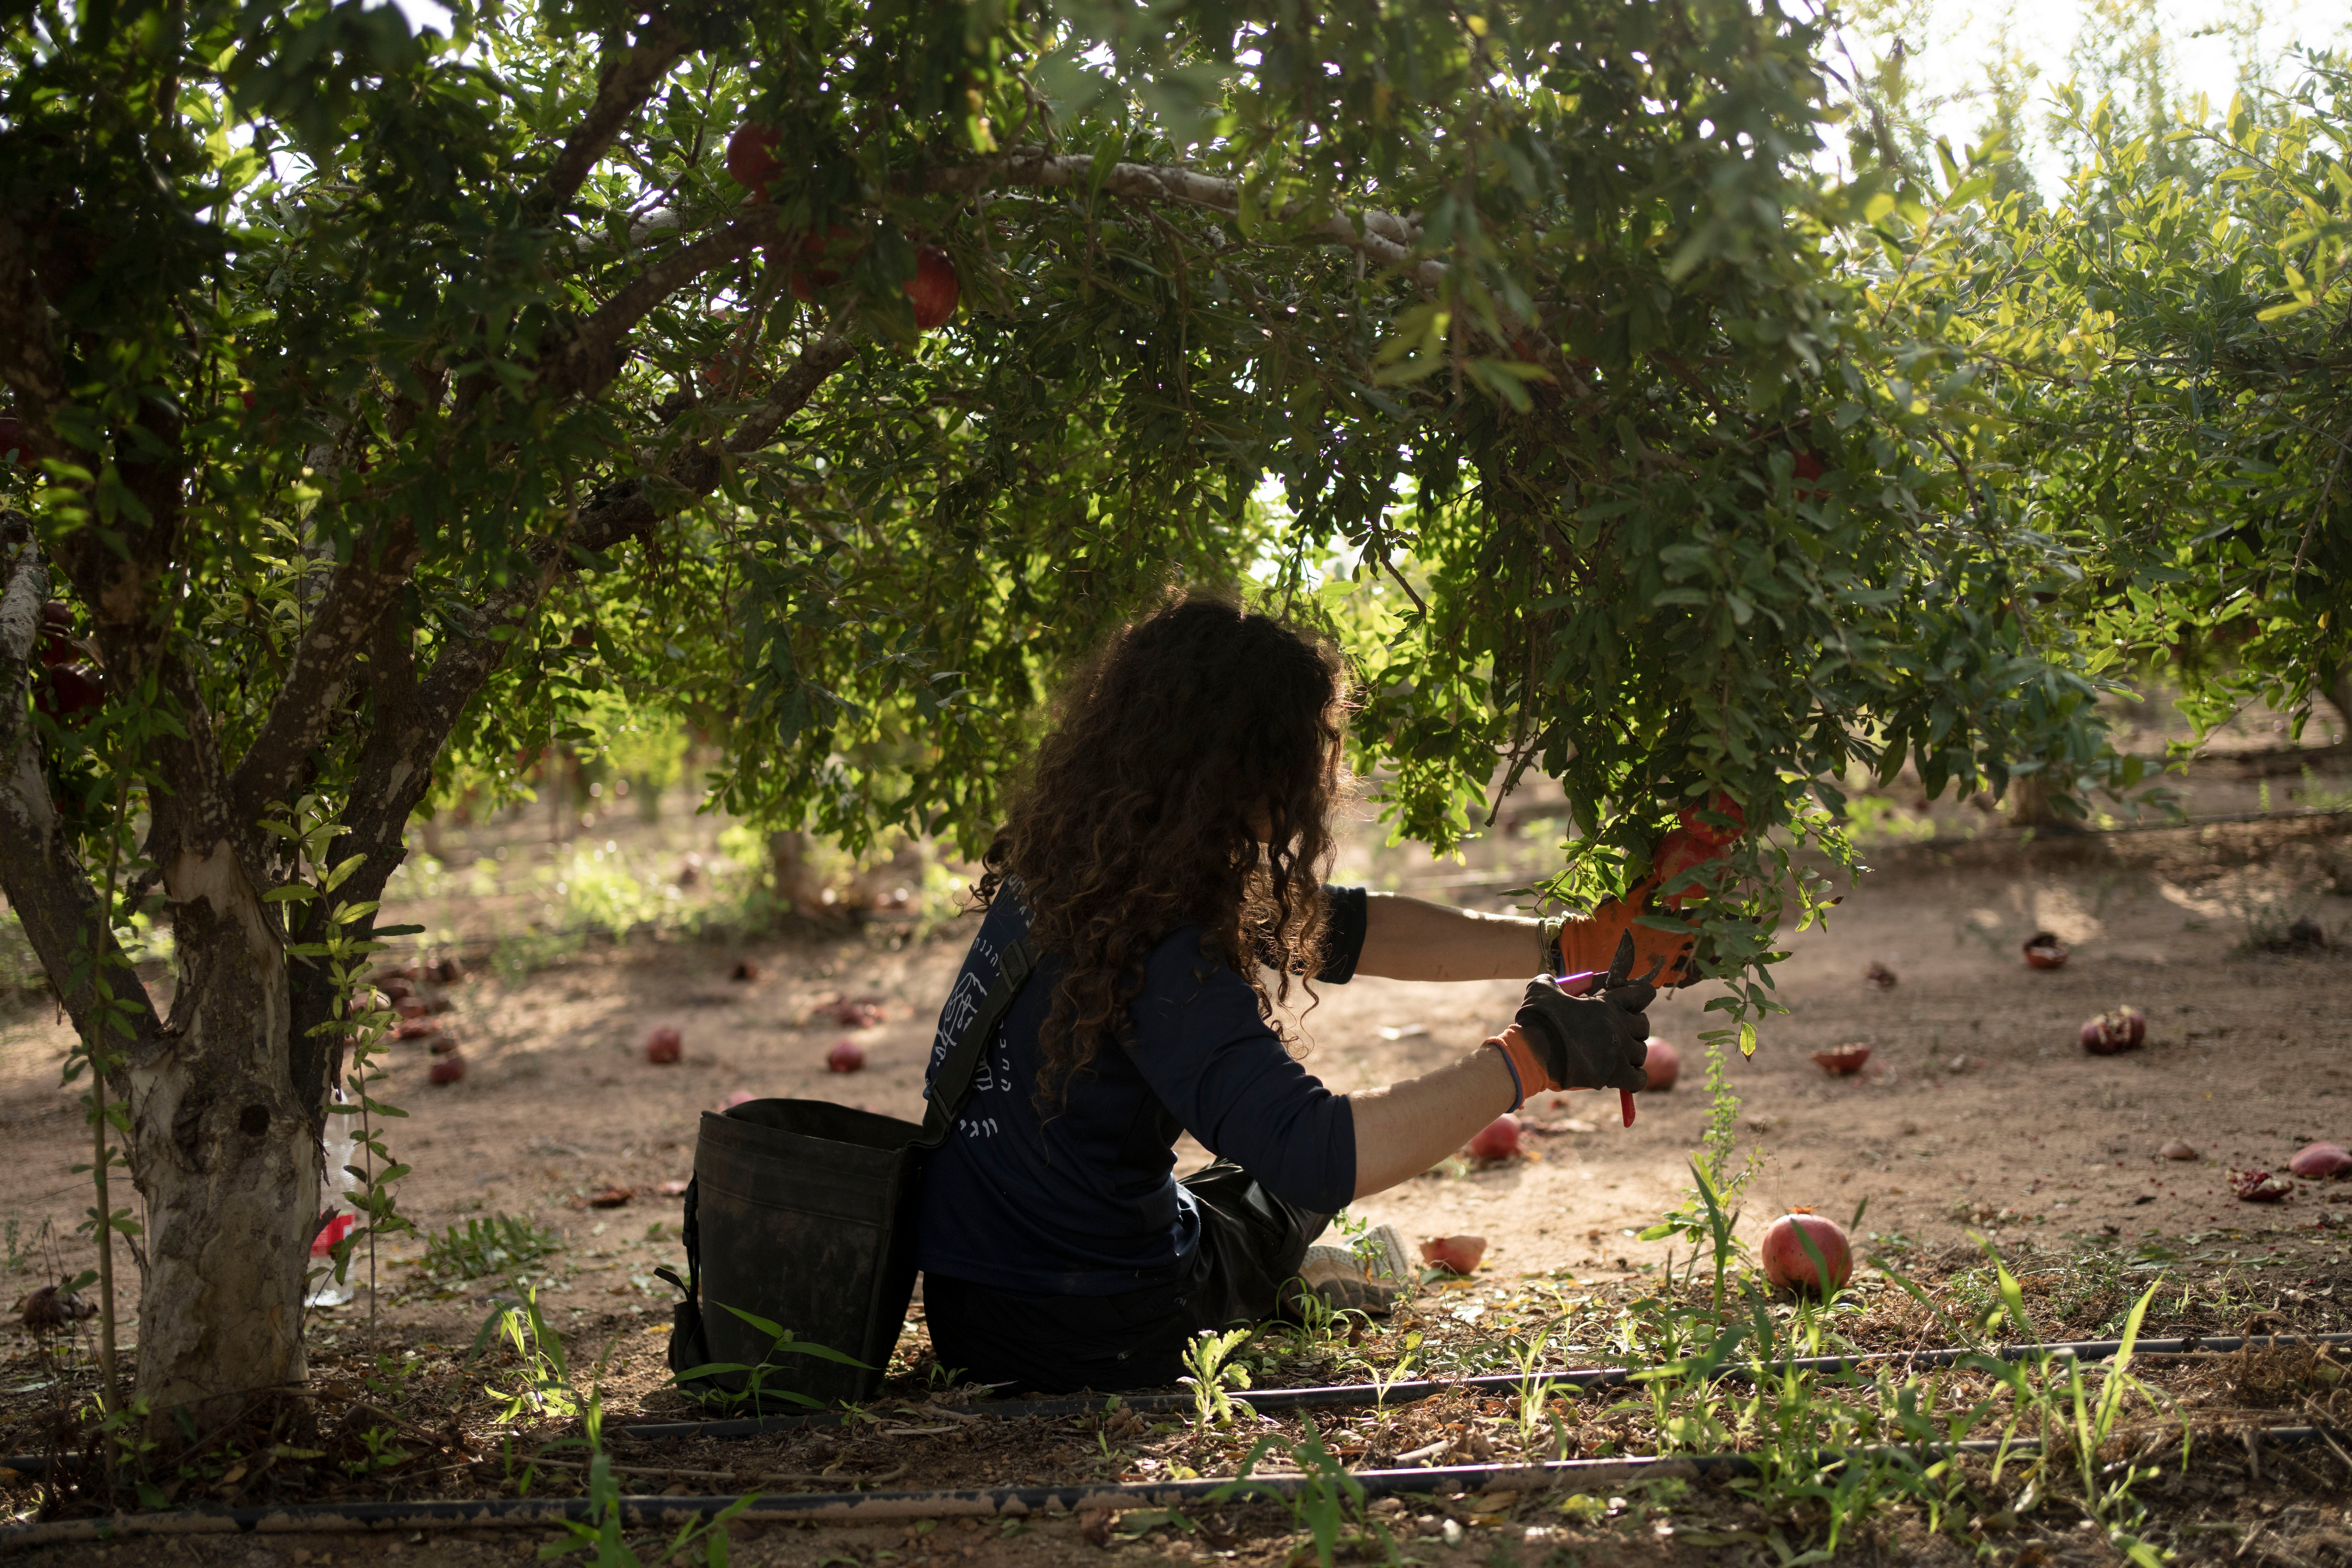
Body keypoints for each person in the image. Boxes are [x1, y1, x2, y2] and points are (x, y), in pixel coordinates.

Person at [913, 593, 1705, 1394]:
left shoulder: (1081, 873)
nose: (1319, 776)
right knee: (1286, 1192)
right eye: (1311, 748)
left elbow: (1343, 928)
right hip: (1092, 1332)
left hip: (972, 1309)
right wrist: (1535, 1055)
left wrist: (1574, 945)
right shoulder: (1160, 940)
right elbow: (1319, 1154)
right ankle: (1306, 1281)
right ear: (1251, 760)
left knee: (1242, 1190)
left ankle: (1280, 1270)